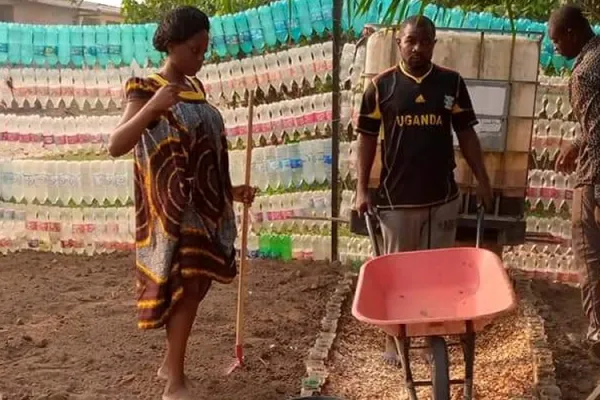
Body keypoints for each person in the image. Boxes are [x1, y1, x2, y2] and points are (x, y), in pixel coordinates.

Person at [107, 7, 256, 400]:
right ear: (172, 45)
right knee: (188, 288)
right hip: (172, 212)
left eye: (205, 51)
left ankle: (169, 363)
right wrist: (154, 107)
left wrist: (232, 190)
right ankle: (175, 380)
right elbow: (116, 144)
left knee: (198, 286)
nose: (201, 58)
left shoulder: (197, 90)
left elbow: (205, 155)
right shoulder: (145, 87)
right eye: (195, 49)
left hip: (207, 208)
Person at [354, 15, 492, 365]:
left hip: (442, 198)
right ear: (399, 42)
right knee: (398, 275)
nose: (417, 48)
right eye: (410, 41)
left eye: (425, 41)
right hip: (398, 201)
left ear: (434, 43)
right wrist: (361, 189)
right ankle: (395, 339)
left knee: (438, 277)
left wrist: (483, 179)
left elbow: (466, 134)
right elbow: (366, 139)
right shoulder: (380, 87)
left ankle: (433, 339)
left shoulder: (451, 83)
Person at [549, 4, 600, 361]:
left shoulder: (584, 73)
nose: (555, 49)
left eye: (555, 40)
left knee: (590, 253)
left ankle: (598, 333)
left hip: (595, 176)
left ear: (571, 33)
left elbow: (597, 133)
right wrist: (576, 142)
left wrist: (589, 182)